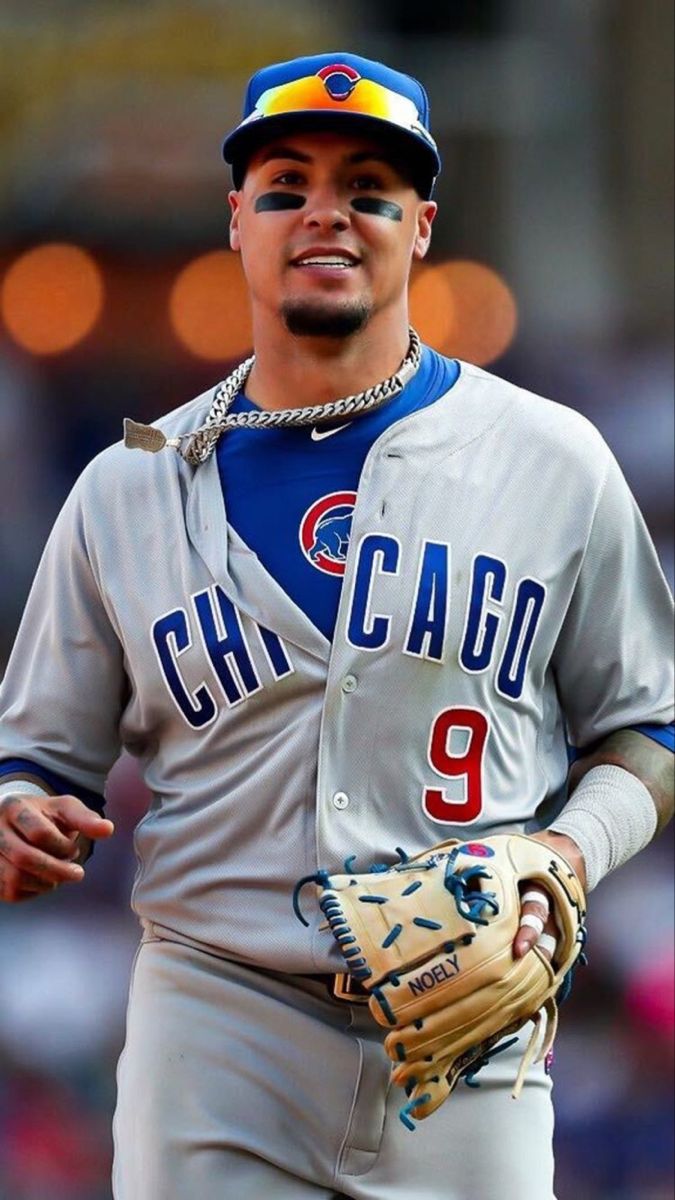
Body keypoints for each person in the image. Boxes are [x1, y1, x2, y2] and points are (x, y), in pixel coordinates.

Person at [0, 50, 672, 1200]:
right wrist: (20, 811)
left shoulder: (552, 459)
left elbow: (650, 735)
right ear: (238, 223)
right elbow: (35, 753)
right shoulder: (127, 485)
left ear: (420, 227)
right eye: (286, 185)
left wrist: (568, 852)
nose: (326, 213)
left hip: (470, 1029)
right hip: (216, 1023)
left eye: (367, 187)